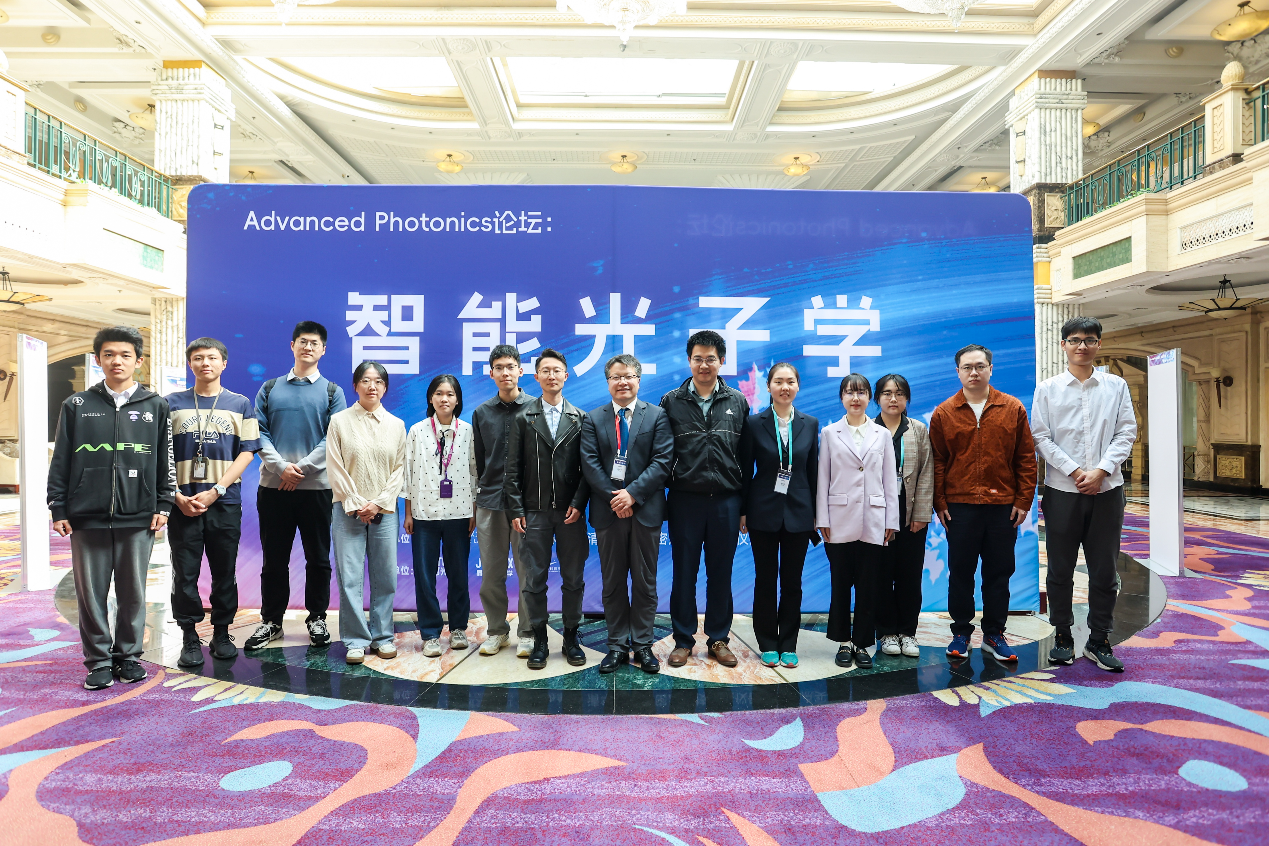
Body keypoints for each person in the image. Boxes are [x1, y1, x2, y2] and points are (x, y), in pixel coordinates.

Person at [48, 326, 175, 690]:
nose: (116, 361)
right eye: (108, 354)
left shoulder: (155, 405)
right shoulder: (77, 405)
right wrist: (58, 506)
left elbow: (165, 458)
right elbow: (61, 459)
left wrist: (164, 502)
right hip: (86, 515)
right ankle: (99, 661)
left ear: (138, 360)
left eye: (124, 355)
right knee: (91, 594)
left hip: (138, 515)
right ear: (98, 359)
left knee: (133, 591)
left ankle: (129, 656)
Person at [1031, 317, 1136, 672]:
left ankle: (1099, 639)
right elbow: (1041, 437)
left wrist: (1101, 470)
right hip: (1063, 490)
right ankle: (1062, 636)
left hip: (1107, 490)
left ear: (1099, 345)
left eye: (1089, 340)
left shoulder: (1116, 386)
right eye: (1075, 340)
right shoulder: (1048, 389)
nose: (1082, 346)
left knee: (1104, 570)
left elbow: (1126, 432)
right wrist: (1076, 472)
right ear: (1063, 345)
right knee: (1060, 569)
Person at [929, 344, 1037, 662]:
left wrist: (1023, 500)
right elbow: (937, 462)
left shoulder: (1012, 408)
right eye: (967, 367)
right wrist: (940, 501)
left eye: (980, 366)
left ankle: (994, 633)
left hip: (1002, 505)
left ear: (991, 369)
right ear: (958, 372)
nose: (973, 372)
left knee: (999, 573)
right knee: (960, 573)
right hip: (959, 506)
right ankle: (961, 633)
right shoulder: (944, 412)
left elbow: (1026, 458)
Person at [245, 321, 348, 651]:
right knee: (274, 559)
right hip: (273, 489)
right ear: (292, 346)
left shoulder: (332, 392)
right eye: (303, 341)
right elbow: (258, 432)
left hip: (316, 489)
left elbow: (333, 437)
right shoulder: (270, 388)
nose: (308, 347)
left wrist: (299, 469)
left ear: (323, 350)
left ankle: (317, 617)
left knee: (318, 559)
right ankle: (271, 621)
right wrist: (280, 468)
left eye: (314, 343)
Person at [166, 337, 261, 669]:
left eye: (211, 357)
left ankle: (222, 632)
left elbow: (247, 452)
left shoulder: (240, 404)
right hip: (182, 503)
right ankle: (189, 635)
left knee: (224, 570)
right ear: (190, 363)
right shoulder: (170, 403)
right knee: (185, 572)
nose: (204, 363)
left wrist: (217, 489)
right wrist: (175, 495)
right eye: (197, 358)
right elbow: (161, 454)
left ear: (224, 363)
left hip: (224, 501)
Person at [660, 329, 751, 668]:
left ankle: (718, 639)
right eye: (697, 359)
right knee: (684, 573)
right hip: (685, 500)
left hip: (726, 501)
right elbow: (662, 454)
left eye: (710, 359)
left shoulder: (737, 401)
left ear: (721, 361)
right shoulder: (671, 401)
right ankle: (683, 640)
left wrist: (744, 507)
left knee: (721, 574)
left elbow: (746, 459)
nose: (703, 365)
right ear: (689, 361)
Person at [580, 353, 674, 675]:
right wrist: (616, 498)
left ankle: (643, 644)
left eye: (628, 376)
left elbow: (662, 461)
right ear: (608, 382)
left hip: (645, 510)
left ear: (638, 380)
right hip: (609, 512)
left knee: (646, 582)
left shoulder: (657, 416)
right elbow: (589, 463)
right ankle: (617, 645)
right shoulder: (593, 418)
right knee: (613, 582)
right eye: (615, 377)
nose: (622, 382)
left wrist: (632, 494)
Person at [505, 349, 591, 671]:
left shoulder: (580, 418)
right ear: (536, 377)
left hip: (570, 514)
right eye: (545, 371)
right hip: (534, 512)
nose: (551, 375)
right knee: (534, 578)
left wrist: (578, 503)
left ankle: (570, 636)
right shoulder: (523, 418)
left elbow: (587, 469)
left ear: (565, 376)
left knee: (573, 578)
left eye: (557, 370)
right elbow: (512, 469)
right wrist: (517, 508)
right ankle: (540, 639)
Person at [739, 362, 819, 669]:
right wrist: (743, 511)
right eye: (778, 382)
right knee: (765, 580)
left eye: (790, 382)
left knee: (792, 582)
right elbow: (745, 471)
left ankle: (788, 643)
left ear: (798, 386)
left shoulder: (810, 424)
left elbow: (813, 471)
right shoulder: (754, 423)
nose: (785, 387)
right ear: (769, 386)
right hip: (763, 512)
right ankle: (767, 643)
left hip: (799, 512)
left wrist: (816, 513)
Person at [816, 373, 898, 670]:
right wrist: (822, 518)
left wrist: (891, 520)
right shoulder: (829, 433)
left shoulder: (882, 434)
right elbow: (823, 477)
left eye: (861, 392)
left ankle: (862, 643)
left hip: (874, 518)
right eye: (850, 392)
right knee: (840, 584)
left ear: (869, 398)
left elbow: (890, 480)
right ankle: (842, 641)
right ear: (842, 398)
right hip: (838, 519)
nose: (855, 398)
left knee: (868, 585)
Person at [327, 361, 406, 665]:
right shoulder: (339, 421)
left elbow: (400, 469)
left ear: (385, 387)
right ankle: (356, 640)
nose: (372, 386)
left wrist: (379, 503)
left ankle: (383, 636)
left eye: (378, 381)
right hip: (347, 511)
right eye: (365, 380)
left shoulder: (396, 425)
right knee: (350, 577)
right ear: (355, 386)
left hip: (384, 512)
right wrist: (357, 502)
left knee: (385, 577)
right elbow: (334, 466)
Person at [403, 374, 478, 658]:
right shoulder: (417, 430)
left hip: (460, 513)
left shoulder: (468, 431)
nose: (444, 399)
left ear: (457, 400)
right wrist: (408, 513)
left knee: (458, 574)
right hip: (424, 514)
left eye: (450, 394)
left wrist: (474, 511)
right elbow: (408, 473)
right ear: (430, 398)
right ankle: (430, 633)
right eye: (438, 393)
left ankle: (458, 628)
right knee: (425, 577)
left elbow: (475, 473)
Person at [472, 344, 534, 656]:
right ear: (491, 373)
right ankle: (497, 631)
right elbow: (479, 460)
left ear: (520, 371)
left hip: (527, 505)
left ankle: (528, 632)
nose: (505, 372)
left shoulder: (536, 408)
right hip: (491, 502)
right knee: (491, 574)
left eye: (510, 366)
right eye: (499, 367)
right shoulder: (481, 413)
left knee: (528, 572)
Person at [873, 374, 934, 659]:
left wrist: (921, 514)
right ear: (877, 398)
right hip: (877, 517)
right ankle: (886, 632)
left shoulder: (918, 429)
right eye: (887, 393)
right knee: (881, 575)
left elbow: (926, 472)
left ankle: (908, 632)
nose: (893, 399)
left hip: (910, 516)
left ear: (907, 398)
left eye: (899, 393)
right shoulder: (868, 428)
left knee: (910, 576)